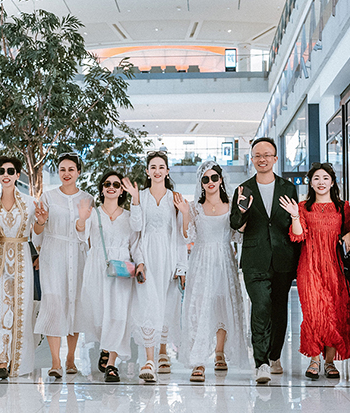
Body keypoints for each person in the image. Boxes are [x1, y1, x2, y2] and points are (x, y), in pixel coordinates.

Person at [229, 137, 299, 384]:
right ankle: (261, 363)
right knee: (260, 307)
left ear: (275, 158)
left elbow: (293, 222)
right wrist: (242, 210)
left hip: (283, 258)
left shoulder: (288, 188)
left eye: (267, 155)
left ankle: (275, 355)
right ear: (252, 159)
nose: (262, 159)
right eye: (257, 155)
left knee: (279, 310)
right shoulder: (244, 189)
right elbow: (235, 224)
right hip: (255, 259)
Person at [279, 162, 350, 380]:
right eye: (316, 178)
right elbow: (298, 235)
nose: (321, 182)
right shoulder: (303, 207)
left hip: (335, 267)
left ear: (332, 182)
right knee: (313, 313)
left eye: (325, 178)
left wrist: (349, 235)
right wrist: (295, 215)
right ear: (310, 183)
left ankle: (329, 362)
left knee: (334, 313)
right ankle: (314, 359)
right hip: (309, 266)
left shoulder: (343, 207)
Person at [176, 161, 250, 382]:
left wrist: (244, 214)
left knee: (222, 305)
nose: (210, 182)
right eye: (205, 179)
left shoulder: (232, 204)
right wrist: (185, 213)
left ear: (221, 180)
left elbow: (239, 234)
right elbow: (188, 236)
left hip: (225, 260)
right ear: (201, 183)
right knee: (200, 308)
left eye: (214, 178)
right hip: (201, 261)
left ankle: (220, 353)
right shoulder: (194, 207)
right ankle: (198, 361)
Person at [121, 151, 188, 382]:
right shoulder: (140, 196)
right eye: (153, 167)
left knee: (167, 305)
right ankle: (149, 360)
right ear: (147, 172)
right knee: (148, 304)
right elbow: (136, 229)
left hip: (169, 257)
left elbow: (180, 235)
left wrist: (181, 267)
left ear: (167, 171)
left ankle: (162, 352)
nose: (157, 171)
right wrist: (135, 200)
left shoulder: (175, 198)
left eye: (161, 167)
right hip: (147, 256)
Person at [76, 171, 145, 383]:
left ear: (122, 190)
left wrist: (141, 264)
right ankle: (105, 347)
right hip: (97, 268)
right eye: (107, 183)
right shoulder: (93, 213)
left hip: (122, 270)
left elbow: (136, 240)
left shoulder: (129, 216)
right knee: (98, 313)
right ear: (102, 188)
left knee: (119, 315)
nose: (111, 187)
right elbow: (81, 235)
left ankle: (112, 364)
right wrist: (82, 219)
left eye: (116, 184)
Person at [32, 152, 93, 378]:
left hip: (78, 255)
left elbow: (88, 234)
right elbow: (37, 231)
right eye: (62, 170)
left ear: (78, 172)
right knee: (54, 303)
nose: (66, 174)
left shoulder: (87, 198)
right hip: (53, 255)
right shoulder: (48, 197)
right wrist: (41, 221)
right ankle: (55, 361)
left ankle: (71, 358)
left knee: (74, 302)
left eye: (71, 169)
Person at [0, 156, 37, 379]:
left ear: (17, 175)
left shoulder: (31, 203)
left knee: (21, 309)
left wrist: (40, 223)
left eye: (10, 171)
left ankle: (17, 360)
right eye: (1, 171)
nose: (6, 175)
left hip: (22, 259)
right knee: (0, 308)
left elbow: (39, 232)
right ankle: (2, 360)